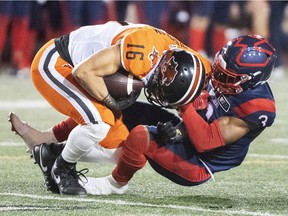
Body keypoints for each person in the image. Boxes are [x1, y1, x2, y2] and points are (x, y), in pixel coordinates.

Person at [11, 21, 209, 196]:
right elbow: (83, 72)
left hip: (88, 70)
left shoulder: (193, 62)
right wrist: (111, 101)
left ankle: (49, 151)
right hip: (58, 62)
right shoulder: (141, 52)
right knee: (98, 124)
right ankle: (63, 167)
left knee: (126, 151)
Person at [80, 35, 276, 195]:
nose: (216, 76)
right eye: (218, 67)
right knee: (126, 110)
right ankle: (62, 146)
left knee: (141, 136)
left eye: (225, 76)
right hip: (187, 131)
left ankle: (114, 184)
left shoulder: (256, 107)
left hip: (198, 162)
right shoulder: (227, 80)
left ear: (249, 81)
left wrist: (184, 103)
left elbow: (205, 142)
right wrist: (179, 130)